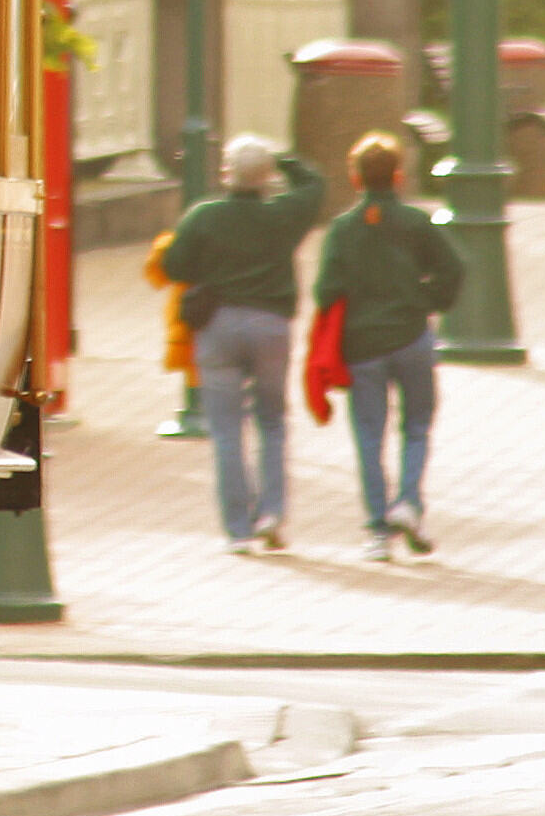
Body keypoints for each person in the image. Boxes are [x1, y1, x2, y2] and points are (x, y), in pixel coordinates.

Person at [160, 135, 327, 555]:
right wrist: (282, 157)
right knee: (271, 421)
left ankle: (238, 529)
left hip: (218, 325)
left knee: (227, 431)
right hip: (270, 326)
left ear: (226, 173)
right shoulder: (284, 214)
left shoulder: (204, 216)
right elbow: (315, 184)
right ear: (267, 177)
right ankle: (271, 512)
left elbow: (174, 264)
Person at [311, 133, 464, 560]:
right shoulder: (416, 223)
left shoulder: (342, 230)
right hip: (412, 337)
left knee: (368, 434)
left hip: (363, 345)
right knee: (416, 425)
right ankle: (409, 502)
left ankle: (378, 529)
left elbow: (326, 291)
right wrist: (428, 302)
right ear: (398, 177)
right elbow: (453, 268)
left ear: (355, 178)